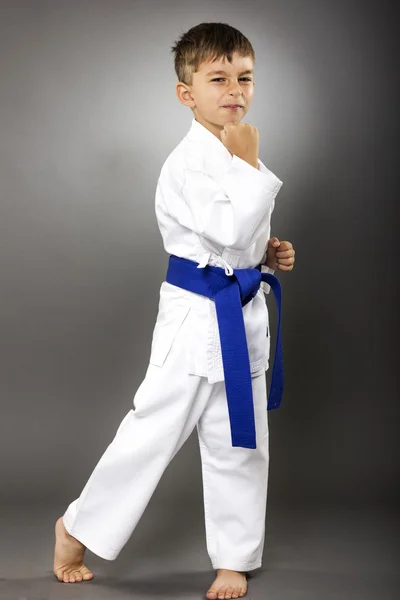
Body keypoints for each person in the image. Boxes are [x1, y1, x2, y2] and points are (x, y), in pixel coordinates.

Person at [53, 21, 295, 600]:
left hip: (242, 313)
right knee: (150, 434)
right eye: (218, 79)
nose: (235, 89)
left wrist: (270, 252)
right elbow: (227, 227)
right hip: (194, 320)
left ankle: (233, 559)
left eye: (245, 77)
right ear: (187, 93)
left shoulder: (233, 150)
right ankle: (75, 527)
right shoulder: (187, 162)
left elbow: (241, 240)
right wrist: (254, 165)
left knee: (241, 439)